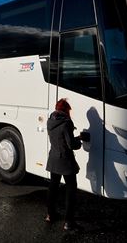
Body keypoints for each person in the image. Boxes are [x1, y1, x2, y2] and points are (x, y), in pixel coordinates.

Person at [45, 98, 82, 231]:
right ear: (66, 110)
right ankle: (69, 222)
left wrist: (76, 138)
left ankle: (50, 214)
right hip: (65, 161)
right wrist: (79, 141)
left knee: (53, 187)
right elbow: (71, 145)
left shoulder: (50, 121)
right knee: (71, 189)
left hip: (54, 158)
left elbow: (59, 140)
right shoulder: (66, 123)